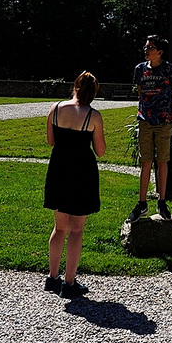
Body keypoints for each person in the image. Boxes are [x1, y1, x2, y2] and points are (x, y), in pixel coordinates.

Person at [43, 71, 106, 298]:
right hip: (82, 172)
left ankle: (52, 277)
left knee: (59, 227)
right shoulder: (94, 116)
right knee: (77, 229)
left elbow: (51, 141)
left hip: (59, 168)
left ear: (75, 86)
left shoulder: (55, 108)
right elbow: (100, 150)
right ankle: (69, 283)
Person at [127, 35, 172, 223]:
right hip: (145, 120)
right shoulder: (140, 70)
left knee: (162, 161)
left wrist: (165, 106)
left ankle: (162, 202)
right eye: (145, 47)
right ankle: (142, 203)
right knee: (145, 161)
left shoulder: (169, 69)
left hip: (164, 121)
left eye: (150, 47)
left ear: (159, 52)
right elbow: (140, 92)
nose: (146, 50)